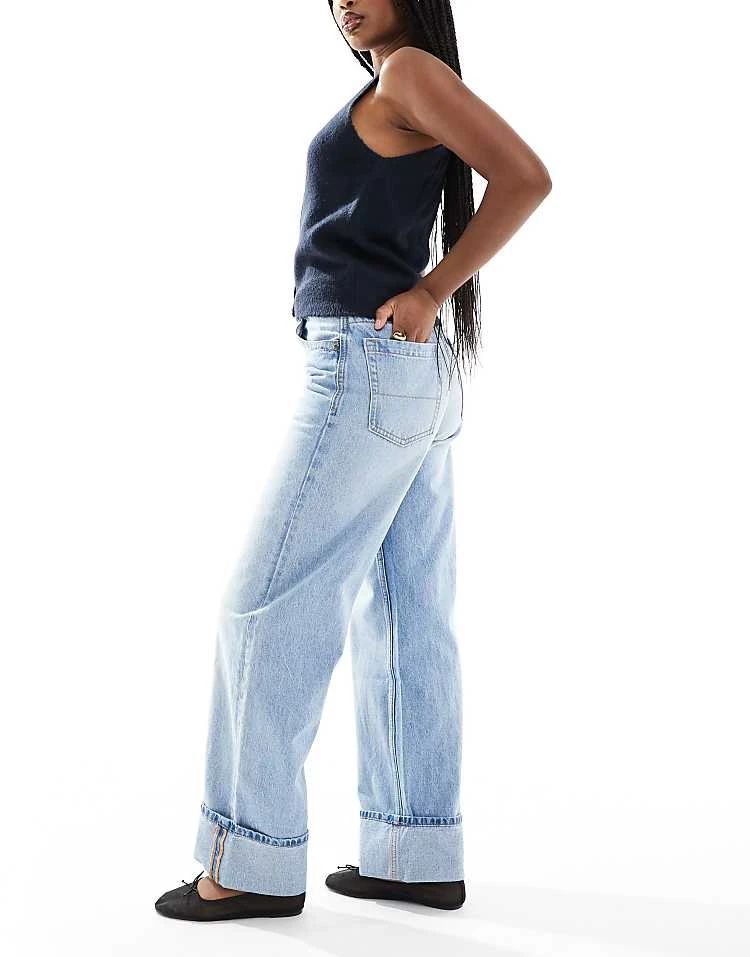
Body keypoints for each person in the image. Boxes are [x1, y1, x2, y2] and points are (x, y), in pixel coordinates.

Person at [154, 0, 551, 922]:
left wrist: (433, 288)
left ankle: (248, 862)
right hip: (408, 375)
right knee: (408, 615)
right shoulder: (400, 82)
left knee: (263, 605)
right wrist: (427, 302)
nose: (344, 0)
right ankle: (415, 851)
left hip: (368, 366)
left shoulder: (409, 72)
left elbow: (526, 177)